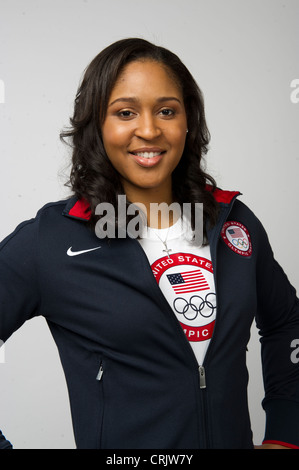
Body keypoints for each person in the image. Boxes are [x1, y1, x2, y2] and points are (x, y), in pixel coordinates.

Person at [0, 38, 298, 450]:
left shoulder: (233, 223)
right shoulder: (52, 240)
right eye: (125, 113)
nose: (149, 130)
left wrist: (286, 432)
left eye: (166, 111)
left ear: (187, 121)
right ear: (97, 125)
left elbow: (286, 323)